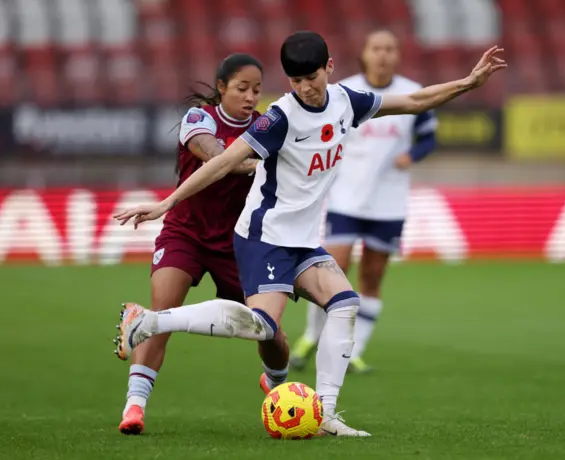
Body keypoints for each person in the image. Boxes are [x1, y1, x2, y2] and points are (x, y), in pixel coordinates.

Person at [113, 31, 506, 437]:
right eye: (296, 81)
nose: (305, 88)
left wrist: (467, 83)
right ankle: (151, 321)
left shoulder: (345, 101)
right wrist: (165, 204)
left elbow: (412, 102)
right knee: (263, 325)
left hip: (301, 239)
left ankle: (327, 415)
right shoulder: (278, 118)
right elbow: (222, 161)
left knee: (345, 303)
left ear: (329, 68)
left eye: (311, 78)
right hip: (264, 237)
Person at [116, 53, 290, 435]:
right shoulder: (200, 119)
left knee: (270, 331)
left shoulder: (265, 125)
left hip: (239, 243)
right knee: (161, 316)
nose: (250, 97)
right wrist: (255, 161)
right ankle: (134, 407)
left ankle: (278, 386)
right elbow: (214, 155)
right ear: (222, 87)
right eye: (242, 88)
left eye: (257, 90)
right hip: (186, 232)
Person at [290, 30, 438, 374]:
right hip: (346, 198)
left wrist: (412, 155)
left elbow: (429, 137)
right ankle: (311, 336)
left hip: (389, 203)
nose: (383, 55)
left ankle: (353, 350)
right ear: (364, 54)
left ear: (397, 55)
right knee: (332, 269)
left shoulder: (411, 91)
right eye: (376, 48)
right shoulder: (345, 92)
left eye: (389, 48)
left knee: (372, 277)